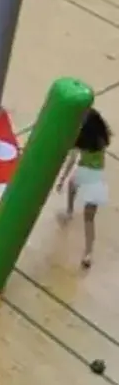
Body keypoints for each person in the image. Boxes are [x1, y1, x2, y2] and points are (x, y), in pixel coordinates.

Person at [57, 108, 111, 268]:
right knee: (88, 218)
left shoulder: (83, 142)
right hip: (94, 177)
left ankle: (69, 212)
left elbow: (72, 160)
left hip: (88, 176)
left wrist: (62, 178)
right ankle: (88, 252)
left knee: (73, 188)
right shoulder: (101, 139)